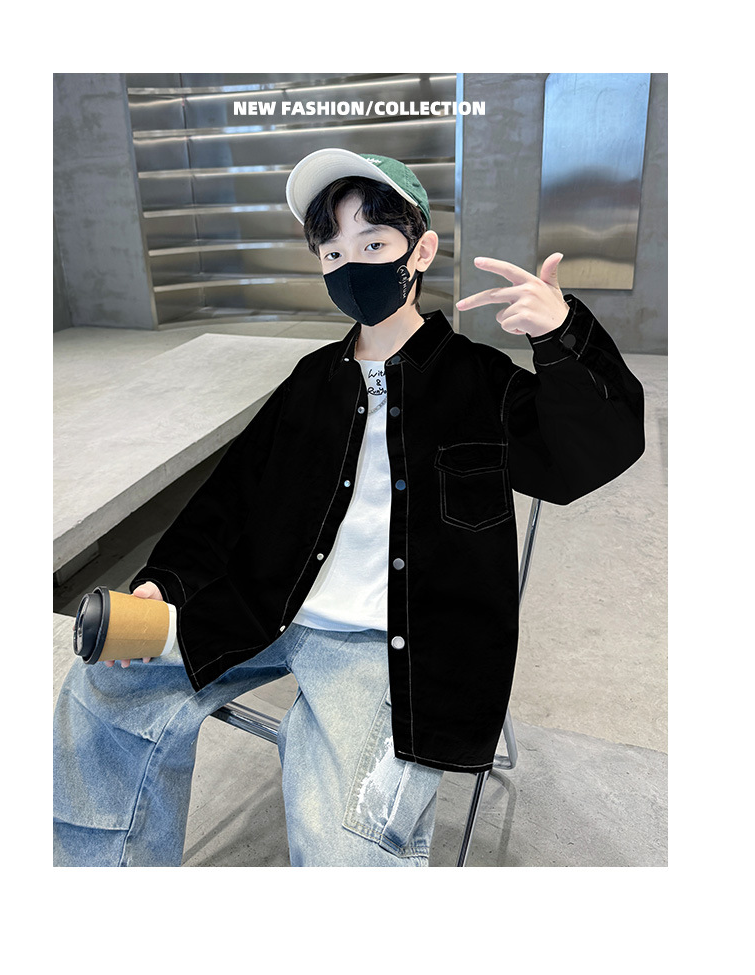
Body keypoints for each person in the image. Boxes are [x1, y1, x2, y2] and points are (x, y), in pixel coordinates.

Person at [53, 148, 645, 867]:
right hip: (264, 606)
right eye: (333, 252)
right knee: (103, 690)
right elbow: (231, 497)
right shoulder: (311, 381)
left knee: (344, 851)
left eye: (374, 243)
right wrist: (166, 581)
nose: (351, 265)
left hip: (389, 647)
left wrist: (562, 335)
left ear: (420, 251)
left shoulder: (479, 382)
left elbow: (592, 453)